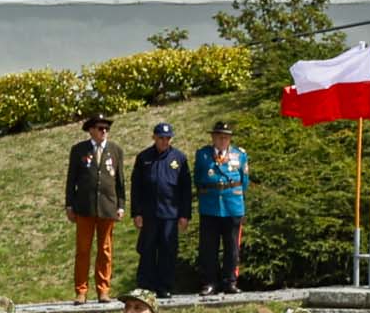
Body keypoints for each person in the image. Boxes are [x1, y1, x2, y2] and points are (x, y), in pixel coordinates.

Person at [63, 114, 125, 300]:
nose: (104, 131)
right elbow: (71, 180)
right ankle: (81, 291)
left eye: (106, 128)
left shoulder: (115, 150)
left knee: (105, 250)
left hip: (107, 206)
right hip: (85, 207)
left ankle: (103, 290)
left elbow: (120, 181)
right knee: (83, 250)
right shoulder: (79, 150)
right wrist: (69, 204)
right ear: (91, 130)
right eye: (100, 128)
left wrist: (121, 205)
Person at [128, 119, 192, 300]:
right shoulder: (144, 158)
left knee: (168, 251)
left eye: (167, 138)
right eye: (161, 138)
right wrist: (136, 213)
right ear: (154, 137)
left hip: (170, 214)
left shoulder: (179, 158)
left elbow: (185, 189)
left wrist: (185, 214)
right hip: (149, 214)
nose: (164, 141)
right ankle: (145, 287)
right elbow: (136, 187)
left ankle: (165, 287)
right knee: (147, 250)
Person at [192, 120, 249, 294]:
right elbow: (198, 179)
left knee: (232, 247)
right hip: (210, 206)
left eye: (226, 137)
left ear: (230, 139)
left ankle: (230, 281)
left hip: (232, 206)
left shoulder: (239, 155)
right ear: (213, 138)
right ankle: (210, 282)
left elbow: (244, 181)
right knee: (209, 247)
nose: (222, 140)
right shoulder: (203, 155)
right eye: (219, 137)